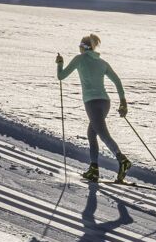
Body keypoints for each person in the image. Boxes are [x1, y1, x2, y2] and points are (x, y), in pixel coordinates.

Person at [56, 34, 131, 183]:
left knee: (103, 134)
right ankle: (94, 169)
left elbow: (61, 76)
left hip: (92, 102)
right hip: (105, 103)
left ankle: (122, 160)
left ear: (84, 47)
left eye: (80, 46)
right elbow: (117, 80)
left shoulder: (79, 59)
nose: (79, 49)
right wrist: (123, 102)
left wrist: (59, 63)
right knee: (92, 133)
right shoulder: (102, 62)